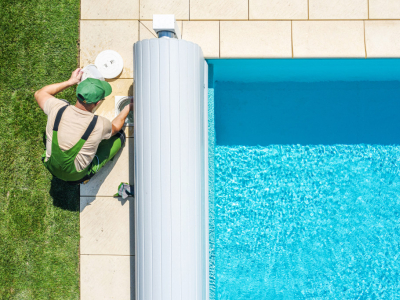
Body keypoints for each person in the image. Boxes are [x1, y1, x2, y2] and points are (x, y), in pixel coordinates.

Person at [34, 68, 132, 184]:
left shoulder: (57, 108)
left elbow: (39, 93)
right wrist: (128, 108)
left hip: (51, 165)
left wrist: (70, 81)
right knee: (118, 137)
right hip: (76, 176)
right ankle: (85, 179)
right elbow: (116, 127)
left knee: (62, 102)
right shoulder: (99, 124)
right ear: (98, 103)